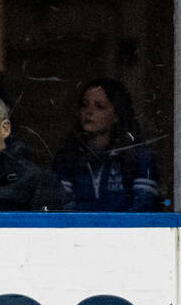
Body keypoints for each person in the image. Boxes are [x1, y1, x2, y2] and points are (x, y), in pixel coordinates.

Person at [50, 78, 159, 211]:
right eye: (84, 104)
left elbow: (144, 208)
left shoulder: (137, 156)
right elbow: (60, 207)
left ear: (116, 115)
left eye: (99, 106)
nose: (88, 111)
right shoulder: (67, 158)